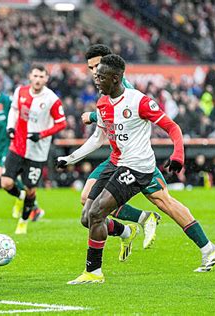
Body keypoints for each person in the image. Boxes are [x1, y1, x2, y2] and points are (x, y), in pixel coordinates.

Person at [57, 55, 215, 284]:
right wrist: (71, 158)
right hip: (117, 161)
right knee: (88, 215)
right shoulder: (103, 102)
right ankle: (128, 232)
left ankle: (93, 272)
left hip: (137, 166)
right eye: (93, 72)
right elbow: (99, 137)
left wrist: (178, 156)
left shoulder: (138, 100)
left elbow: (172, 127)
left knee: (116, 209)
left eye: (99, 74)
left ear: (115, 78)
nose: (94, 78)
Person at [78, 44, 162, 255]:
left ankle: (206, 247)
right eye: (90, 68)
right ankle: (128, 230)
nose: (94, 71)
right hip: (116, 155)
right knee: (87, 203)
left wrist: (93, 116)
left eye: (97, 65)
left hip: (131, 158)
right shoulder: (103, 90)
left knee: (165, 201)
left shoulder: (126, 89)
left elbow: (127, 114)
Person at [2, 64, 67, 234]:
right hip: (18, 144)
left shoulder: (51, 99)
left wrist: (43, 134)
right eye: (35, 76)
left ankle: (23, 221)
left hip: (37, 152)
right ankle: (21, 197)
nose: (38, 80)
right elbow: (14, 110)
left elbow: (62, 123)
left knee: (31, 188)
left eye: (41, 77)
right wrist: (10, 127)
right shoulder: (20, 91)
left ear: (46, 79)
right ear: (30, 77)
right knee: (6, 182)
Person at [0, 73, 44, 221]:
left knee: (4, 175)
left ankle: (29, 202)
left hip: (12, 143)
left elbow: (18, 114)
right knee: (12, 178)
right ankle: (32, 204)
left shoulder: (6, 100)